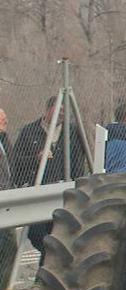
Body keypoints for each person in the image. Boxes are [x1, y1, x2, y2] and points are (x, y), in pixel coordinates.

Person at [11, 96, 90, 264]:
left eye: (64, 111)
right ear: (48, 110)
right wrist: (36, 158)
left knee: (59, 234)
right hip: (38, 190)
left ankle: (45, 272)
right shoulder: (29, 131)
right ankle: (50, 264)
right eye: (58, 110)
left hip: (64, 191)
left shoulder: (72, 132)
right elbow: (16, 162)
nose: (61, 114)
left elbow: (78, 160)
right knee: (37, 233)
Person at [0, 108, 15, 290]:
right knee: (9, 238)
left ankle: (4, 284)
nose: (5, 121)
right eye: (2, 119)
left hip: (7, 193)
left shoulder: (4, 141)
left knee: (9, 240)